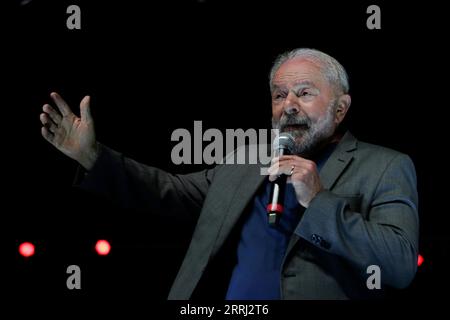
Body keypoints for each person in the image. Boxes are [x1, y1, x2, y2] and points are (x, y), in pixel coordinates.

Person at [39, 48, 419, 299]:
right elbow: (165, 191)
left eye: (303, 93)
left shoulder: (384, 166)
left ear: (340, 108)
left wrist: (319, 201)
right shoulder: (245, 160)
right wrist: (91, 155)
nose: (287, 106)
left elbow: (399, 264)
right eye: (278, 94)